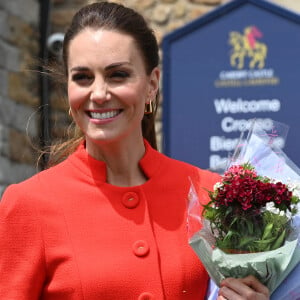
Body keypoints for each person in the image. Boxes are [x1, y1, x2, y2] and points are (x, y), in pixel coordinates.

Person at [0, 2, 270, 299]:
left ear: (152, 84)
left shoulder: (209, 194)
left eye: (118, 75)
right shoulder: (29, 204)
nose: (99, 94)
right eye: (82, 77)